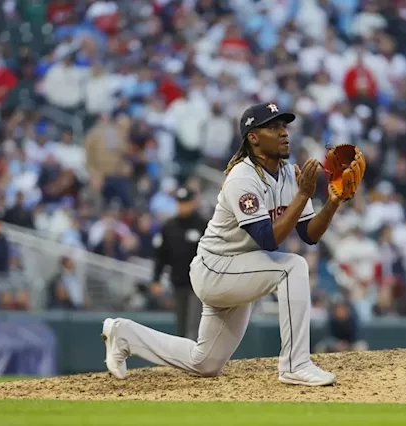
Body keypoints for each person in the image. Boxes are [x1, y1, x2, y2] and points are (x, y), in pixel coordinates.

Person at [101, 102, 347, 386]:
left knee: (205, 363)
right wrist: (303, 195)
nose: (284, 133)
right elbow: (268, 239)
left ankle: (125, 334)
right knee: (292, 266)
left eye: (284, 126)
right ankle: (295, 363)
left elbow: (310, 235)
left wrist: (332, 203)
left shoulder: (289, 175)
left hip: (242, 270)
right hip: (216, 269)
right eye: (274, 127)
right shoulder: (242, 178)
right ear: (253, 137)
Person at [151, 186, 208, 340]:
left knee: (193, 325)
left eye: (185, 202)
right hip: (177, 281)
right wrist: (156, 279)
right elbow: (161, 255)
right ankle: (184, 360)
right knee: (182, 325)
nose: (182, 206)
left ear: (193, 203)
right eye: (179, 203)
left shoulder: (203, 225)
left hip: (198, 284)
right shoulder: (169, 227)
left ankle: (193, 361)